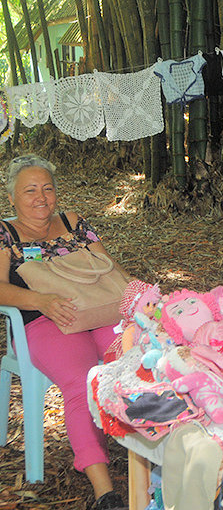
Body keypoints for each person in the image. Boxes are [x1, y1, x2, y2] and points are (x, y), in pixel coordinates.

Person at [0, 155, 130, 510]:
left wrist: (138, 294)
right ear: (12, 197)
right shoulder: (6, 233)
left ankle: (152, 456)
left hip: (99, 311)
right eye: (30, 190)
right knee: (81, 380)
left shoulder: (73, 222)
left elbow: (110, 268)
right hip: (42, 321)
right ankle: (104, 491)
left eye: (47, 188)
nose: (40, 197)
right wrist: (40, 300)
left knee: (136, 360)